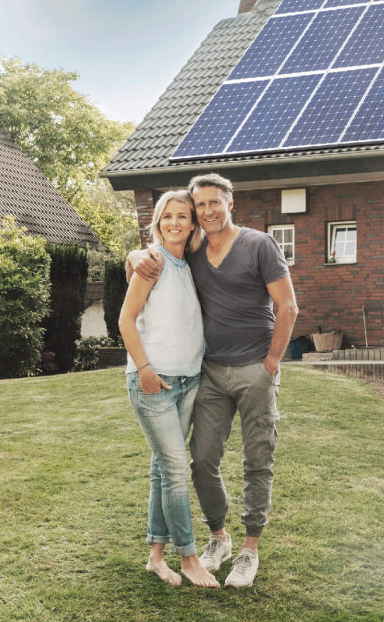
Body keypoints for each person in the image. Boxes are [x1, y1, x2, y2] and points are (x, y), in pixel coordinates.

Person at [128, 172, 298, 589]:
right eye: (199, 205)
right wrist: (133, 256)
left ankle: (249, 550)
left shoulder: (259, 244)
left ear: (230, 203)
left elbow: (288, 306)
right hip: (210, 373)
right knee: (201, 460)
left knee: (257, 461)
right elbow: (156, 257)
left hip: (255, 370)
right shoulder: (195, 251)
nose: (207, 211)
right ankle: (219, 538)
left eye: (214, 203)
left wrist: (271, 364)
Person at [118, 189, 219, 589]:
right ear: (156, 223)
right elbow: (126, 321)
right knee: (177, 469)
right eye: (166, 217)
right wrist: (143, 369)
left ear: (193, 223)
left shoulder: (188, 263)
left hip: (188, 380)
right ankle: (189, 557)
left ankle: (155, 557)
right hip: (154, 382)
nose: (174, 223)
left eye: (182, 216)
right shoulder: (153, 262)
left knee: (163, 470)